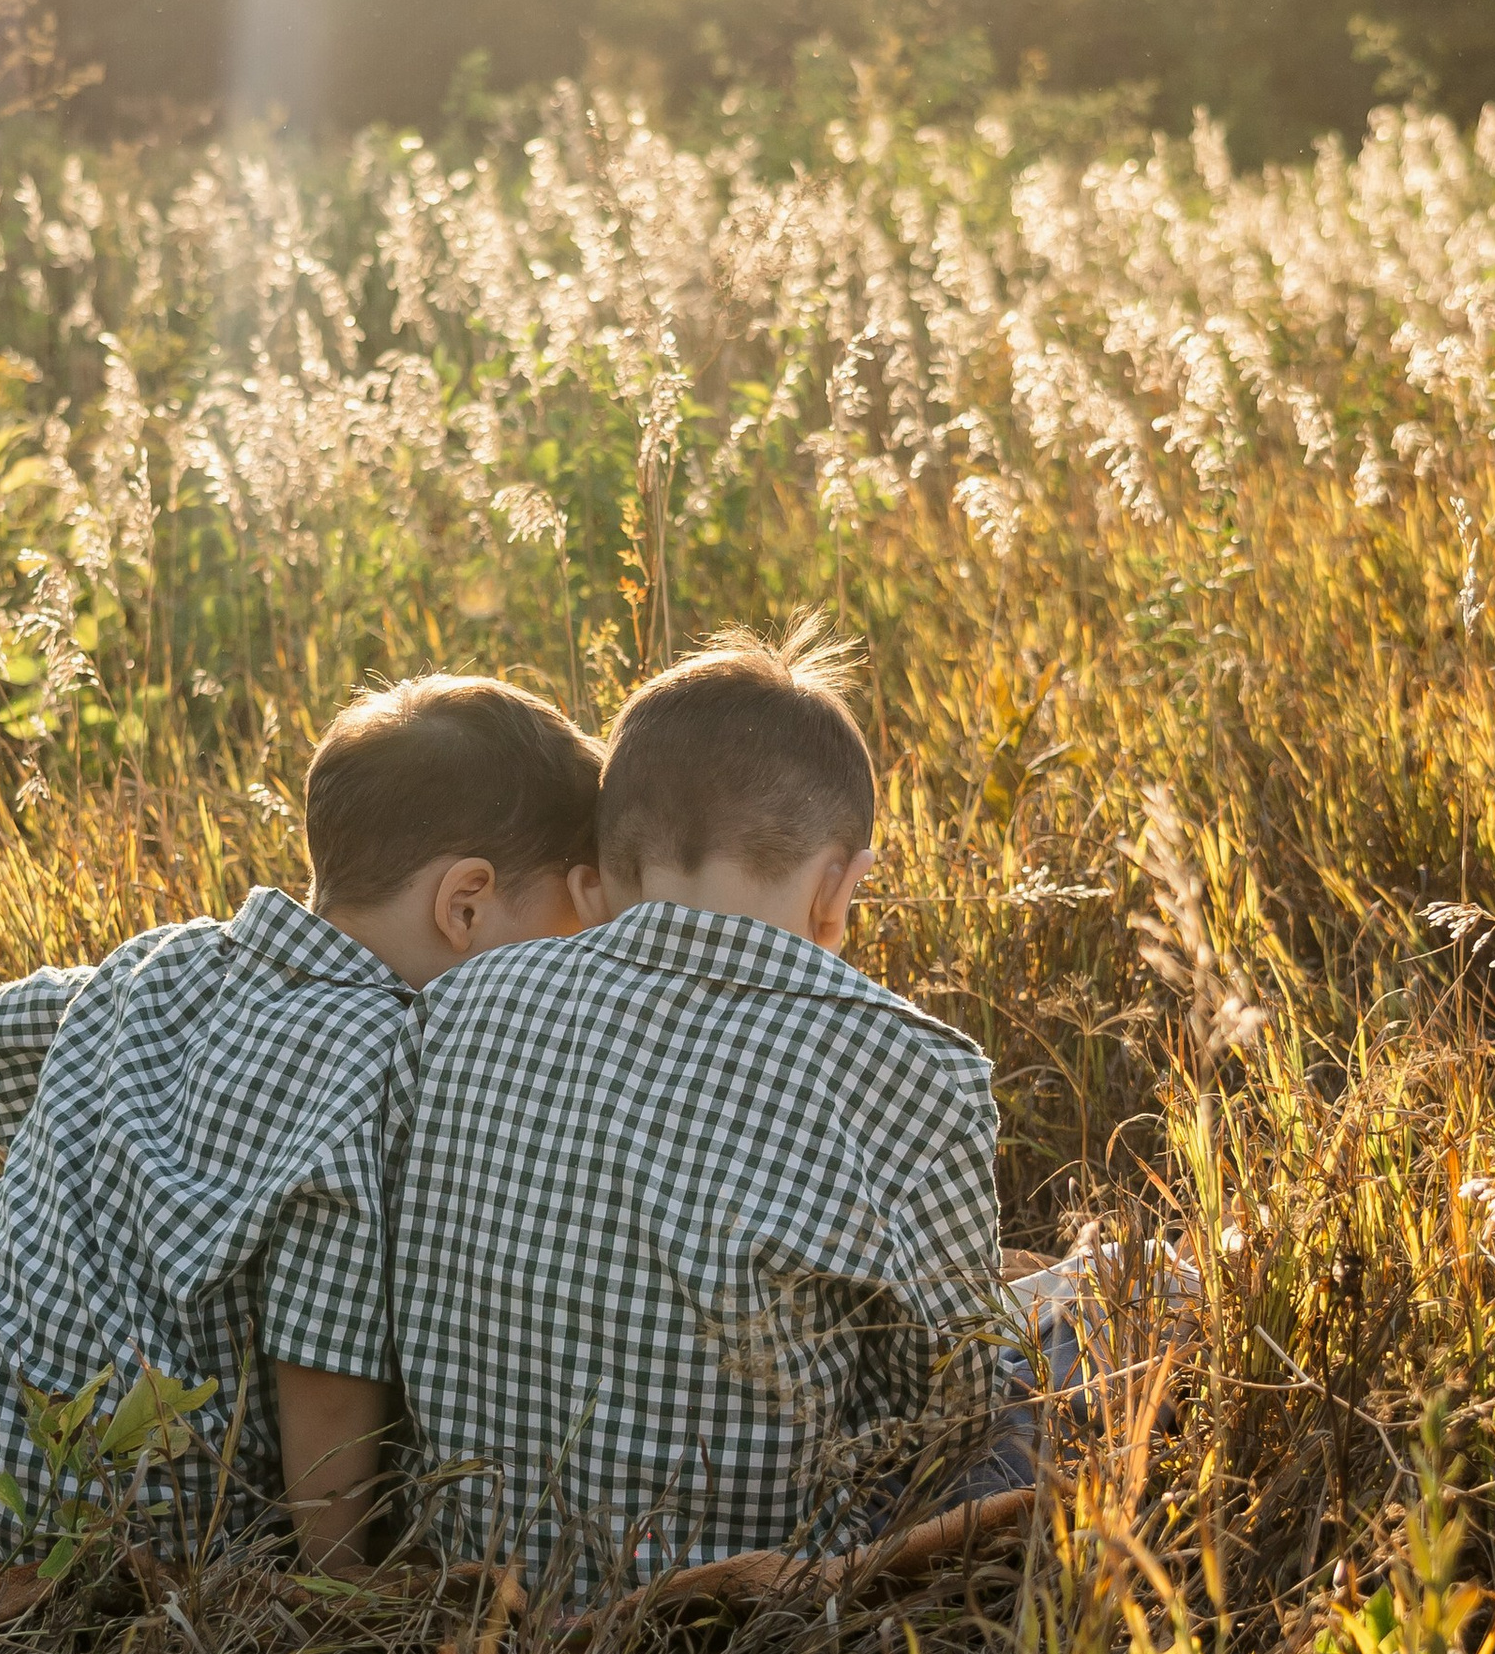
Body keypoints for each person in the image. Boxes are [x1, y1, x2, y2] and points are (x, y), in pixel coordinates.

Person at [0, 677, 603, 1566]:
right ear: (464, 905)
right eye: (567, 935)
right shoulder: (387, 1070)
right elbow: (326, 1364)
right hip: (117, 1543)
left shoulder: (164, 956)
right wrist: (335, 1578)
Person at [379, 624, 1032, 1597]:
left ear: (597, 878)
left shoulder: (455, 1003)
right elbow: (949, 1413)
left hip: (488, 1574)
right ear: (837, 890)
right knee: (1097, 1326)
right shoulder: (907, 1064)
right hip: (752, 1595)